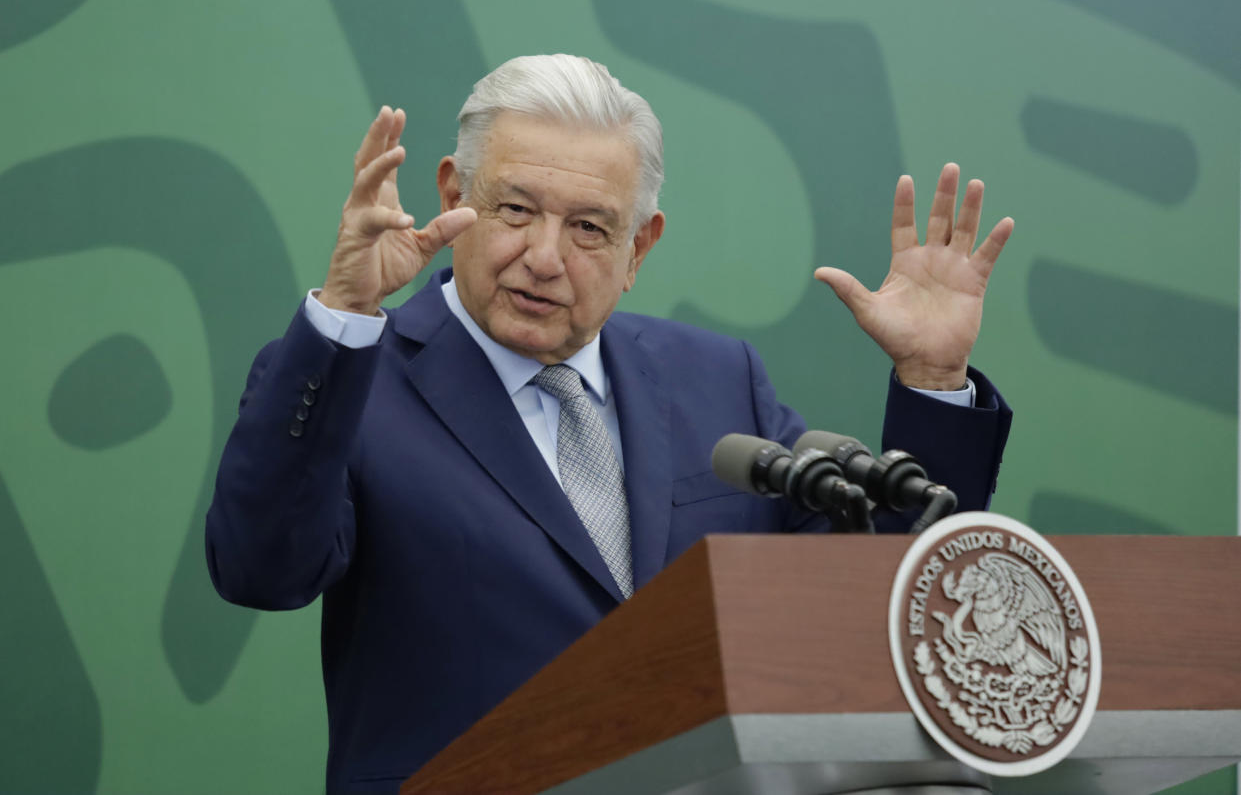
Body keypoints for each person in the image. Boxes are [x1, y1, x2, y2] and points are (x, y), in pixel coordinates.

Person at [206, 54, 1012, 793]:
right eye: (515, 209)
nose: (545, 256)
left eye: (589, 227)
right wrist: (347, 313)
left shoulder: (717, 379)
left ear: (639, 247)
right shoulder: (350, 381)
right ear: (454, 199)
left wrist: (931, 379)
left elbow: (882, 608)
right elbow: (262, 570)